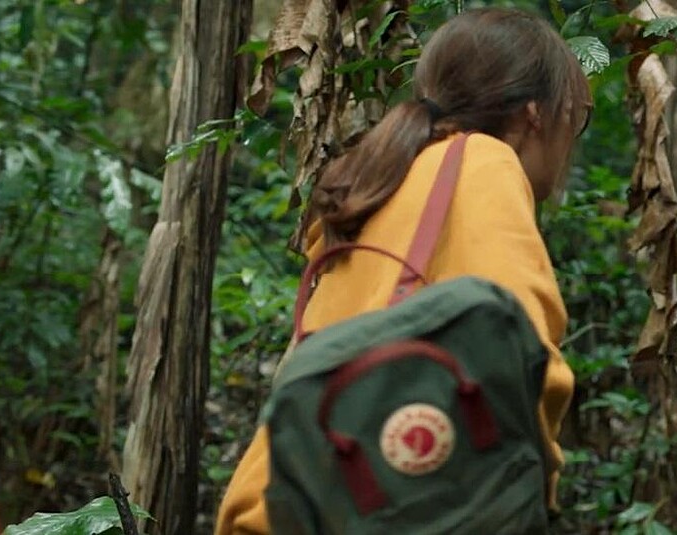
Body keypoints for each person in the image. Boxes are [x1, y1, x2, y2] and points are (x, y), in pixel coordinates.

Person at [214, 7, 593, 534]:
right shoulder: (484, 164)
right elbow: (521, 359)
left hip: (280, 504)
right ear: (536, 114)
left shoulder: (389, 173)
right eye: (578, 116)